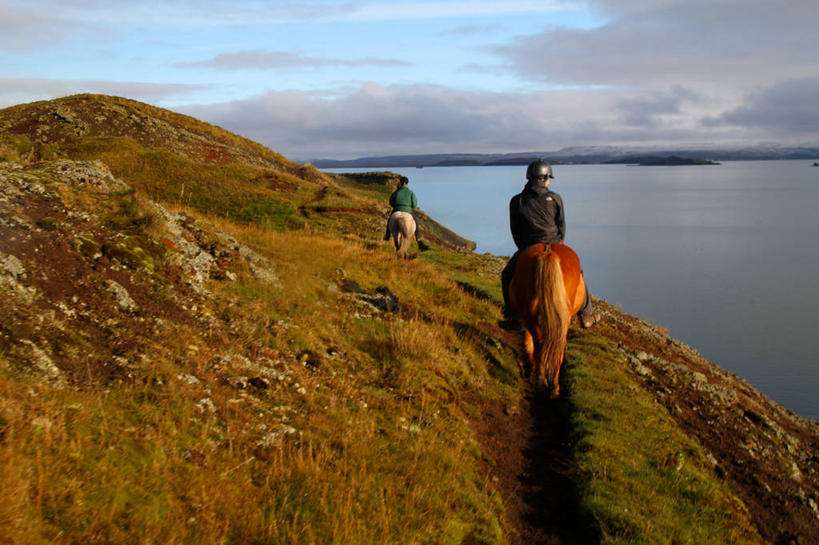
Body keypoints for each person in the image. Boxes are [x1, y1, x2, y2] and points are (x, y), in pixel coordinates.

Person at [500, 159, 600, 330]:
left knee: (507, 275)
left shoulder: (517, 201)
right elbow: (561, 226)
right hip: (554, 243)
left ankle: (513, 315)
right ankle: (586, 313)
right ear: (544, 178)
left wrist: (524, 249)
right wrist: (559, 243)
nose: (549, 181)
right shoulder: (554, 198)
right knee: (578, 274)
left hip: (528, 246)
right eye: (548, 178)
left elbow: (515, 230)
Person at [383, 176, 424, 246]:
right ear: (407, 183)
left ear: (400, 183)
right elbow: (414, 204)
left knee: (390, 220)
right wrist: (409, 207)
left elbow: (391, 201)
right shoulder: (410, 193)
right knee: (416, 221)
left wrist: (396, 206)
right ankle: (418, 236)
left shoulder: (396, 192)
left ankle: (387, 235)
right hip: (408, 210)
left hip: (396, 210)